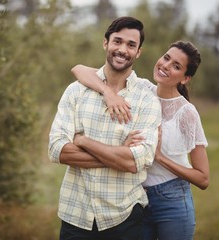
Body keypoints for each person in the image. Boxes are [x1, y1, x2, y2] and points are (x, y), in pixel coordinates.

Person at [71, 40, 210, 240]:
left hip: (172, 200)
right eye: (166, 58)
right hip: (137, 197)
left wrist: (160, 158)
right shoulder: (141, 89)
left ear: (185, 78)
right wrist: (108, 92)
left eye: (176, 66)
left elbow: (203, 178)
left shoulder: (187, 113)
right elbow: (79, 69)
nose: (166, 65)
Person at [48, 16, 162, 240]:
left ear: (138, 52)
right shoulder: (75, 91)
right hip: (75, 215)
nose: (122, 49)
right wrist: (117, 155)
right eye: (117, 41)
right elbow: (57, 149)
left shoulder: (147, 100)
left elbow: (137, 161)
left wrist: (83, 141)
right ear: (105, 43)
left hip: (125, 218)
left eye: (131, 45)